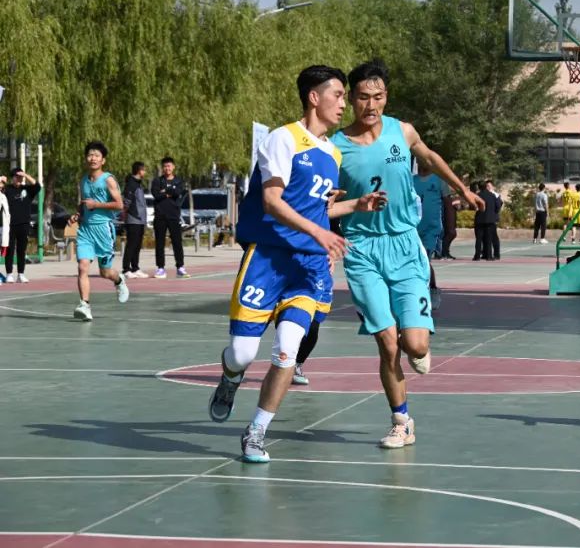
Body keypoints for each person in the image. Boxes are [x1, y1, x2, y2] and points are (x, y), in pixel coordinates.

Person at [207, 65, 386, 463]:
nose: (344, 103)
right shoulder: (283, 139)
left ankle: (256, 432)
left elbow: (317, 211)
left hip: (308, 267)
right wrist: (320, 233)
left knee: (287, 351)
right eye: (338, 95)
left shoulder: (332, 152)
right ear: (313, 97)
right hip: (268, 258)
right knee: (242, 353)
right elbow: (273, 202)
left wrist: (355, 205)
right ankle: (230, 376)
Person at [333, 58, 482, 450]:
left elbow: (429, 158)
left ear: (386, 96)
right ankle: (401, 421)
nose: (371, 105)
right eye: (363, 97)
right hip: (362, 249)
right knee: (387, 343)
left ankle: (419, 338)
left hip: (404, 244)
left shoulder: (402, 130)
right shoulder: (335, 147)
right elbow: (322, 201)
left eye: (378, 96)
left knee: (414, 345)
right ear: (351, 99)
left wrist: (462, 189)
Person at [70, 142, 130, 321]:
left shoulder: (108, 180)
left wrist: (96, 204)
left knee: (105, 272)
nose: (93, 158)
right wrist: (77, 214)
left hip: (103, 229)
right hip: (86, 230)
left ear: (103, 160)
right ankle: (85, 305)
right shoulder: (83, 180)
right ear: (86, 158)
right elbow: (83, 205)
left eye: (97, 155)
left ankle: (118, 280)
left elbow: (119, 205)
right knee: (82, 267)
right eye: (90, 155)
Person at [413, 160, 451, 310]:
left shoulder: (439, 180)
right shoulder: (411, 181)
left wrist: (450, 227)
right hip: (413, 227)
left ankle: (432, 290)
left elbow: (448, 204)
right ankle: (419, 291)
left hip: (431, 228)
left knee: (424, 259)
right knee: (414, 262)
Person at [151, 156, 188, 278]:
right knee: (159, 243)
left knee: (177, 242)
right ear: (162, 168)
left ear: (173, 167)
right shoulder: (157, 181)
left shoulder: (178, 181)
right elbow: (156, 195)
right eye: (165, 166)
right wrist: (169, 192)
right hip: (160, 215)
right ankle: (160, 268)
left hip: (174, 216)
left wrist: (165, 191)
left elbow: (177, 192)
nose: (167, 168)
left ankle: (180, 267)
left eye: (169, 166)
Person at [2, 168, 41, 283]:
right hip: (10, 224)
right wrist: (1, 180)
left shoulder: (27, 189)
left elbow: (38, 186)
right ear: (13, 178)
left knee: (21, 250)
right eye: (17, 176)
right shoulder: (7, 189)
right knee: (9, 250)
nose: (19, 179)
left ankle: (21, 274)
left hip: (24, 224)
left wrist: (26, 175)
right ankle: (9, 274)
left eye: (20, 177)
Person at [121, 162, 150, 279]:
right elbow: (126, 202)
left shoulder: (138, 184)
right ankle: (126, 269)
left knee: (137, 245)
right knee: (131, 245)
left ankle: (135, 268)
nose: (145, 172)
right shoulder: (131, 184)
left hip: (140, 220)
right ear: (139, 170)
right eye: (144, 170)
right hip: (133, 219)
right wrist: (125, 215)